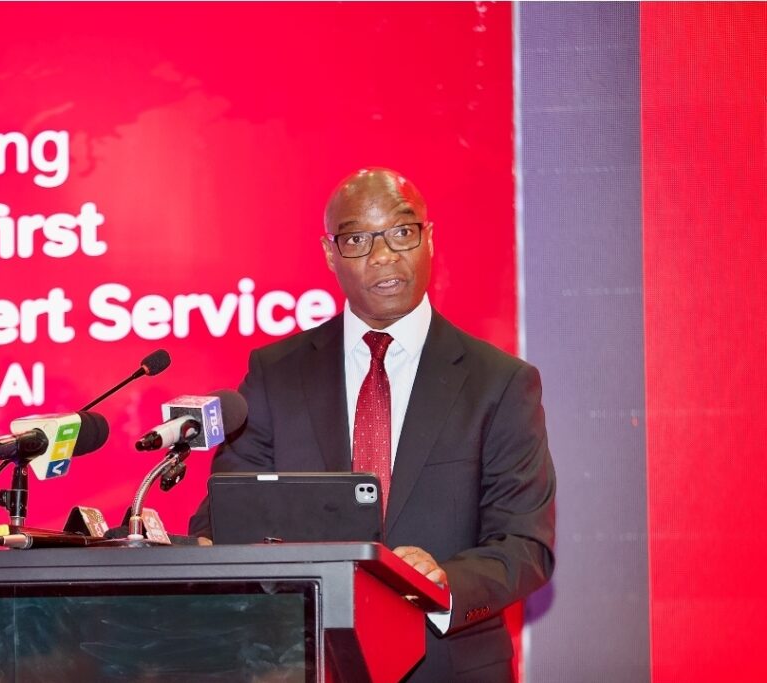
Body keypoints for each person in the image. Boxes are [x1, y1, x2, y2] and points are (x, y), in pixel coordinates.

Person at [189, 168, 555, 682]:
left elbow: (524, 543)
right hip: (299, 661)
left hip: (448, 666)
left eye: (402, 232)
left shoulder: (499, 382)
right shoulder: (276, 374)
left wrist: (442, 581)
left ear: (429, 238)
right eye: (358, 239)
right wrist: (210, 548)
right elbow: (229, 513)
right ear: (329, 253)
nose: (383, 255)